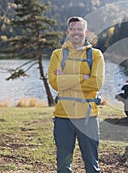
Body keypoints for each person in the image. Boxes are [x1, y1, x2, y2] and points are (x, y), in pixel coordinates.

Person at [48, 16, 105, 173]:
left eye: (80, 29)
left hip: (88, 117)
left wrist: (64, 78)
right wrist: (82, 78)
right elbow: (54, 82)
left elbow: (96, 83)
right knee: (63, 166)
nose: (76, 33)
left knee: (92, 166)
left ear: (86, 32)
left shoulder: (95, 55)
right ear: (68, 32)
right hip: (62, 117)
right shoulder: (57, 54)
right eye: (73, 29)